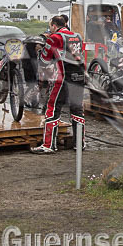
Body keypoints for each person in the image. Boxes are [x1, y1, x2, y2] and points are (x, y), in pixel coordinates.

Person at [31, 15, 85, 154]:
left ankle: (49, 145)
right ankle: (80, 143)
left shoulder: (55, 37)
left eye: (50, 26)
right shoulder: (77, 36)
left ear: (54, 25)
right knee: (77, 110)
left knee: (53, 107)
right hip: (79, 77)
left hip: (62, 78)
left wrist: (39, 50)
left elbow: (44, 60)